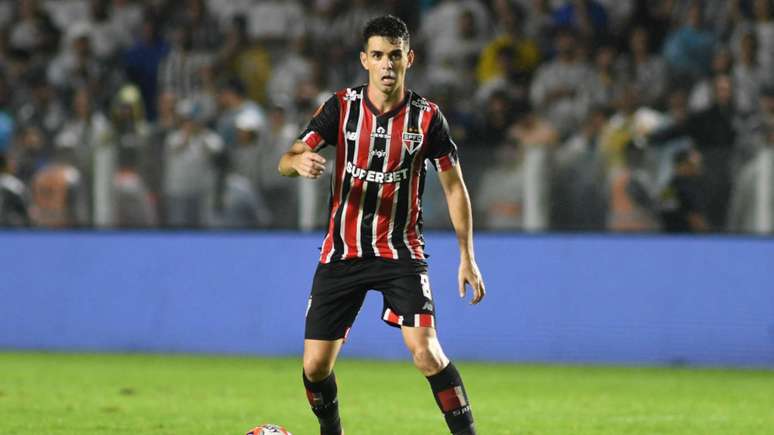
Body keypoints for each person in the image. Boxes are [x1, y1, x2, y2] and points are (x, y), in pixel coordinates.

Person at [278, 15, 486, 435]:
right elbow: (287, 158)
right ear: (364, 60)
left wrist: (467, 256)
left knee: (426, 353)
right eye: (377, 55)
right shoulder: (341, 107)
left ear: (409, 58)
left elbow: (454, 188)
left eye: (394, 55)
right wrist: (297, 163)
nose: (387, 64)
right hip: (343, 252)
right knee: (315, 367)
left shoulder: (427, 119)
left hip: (400, 252)